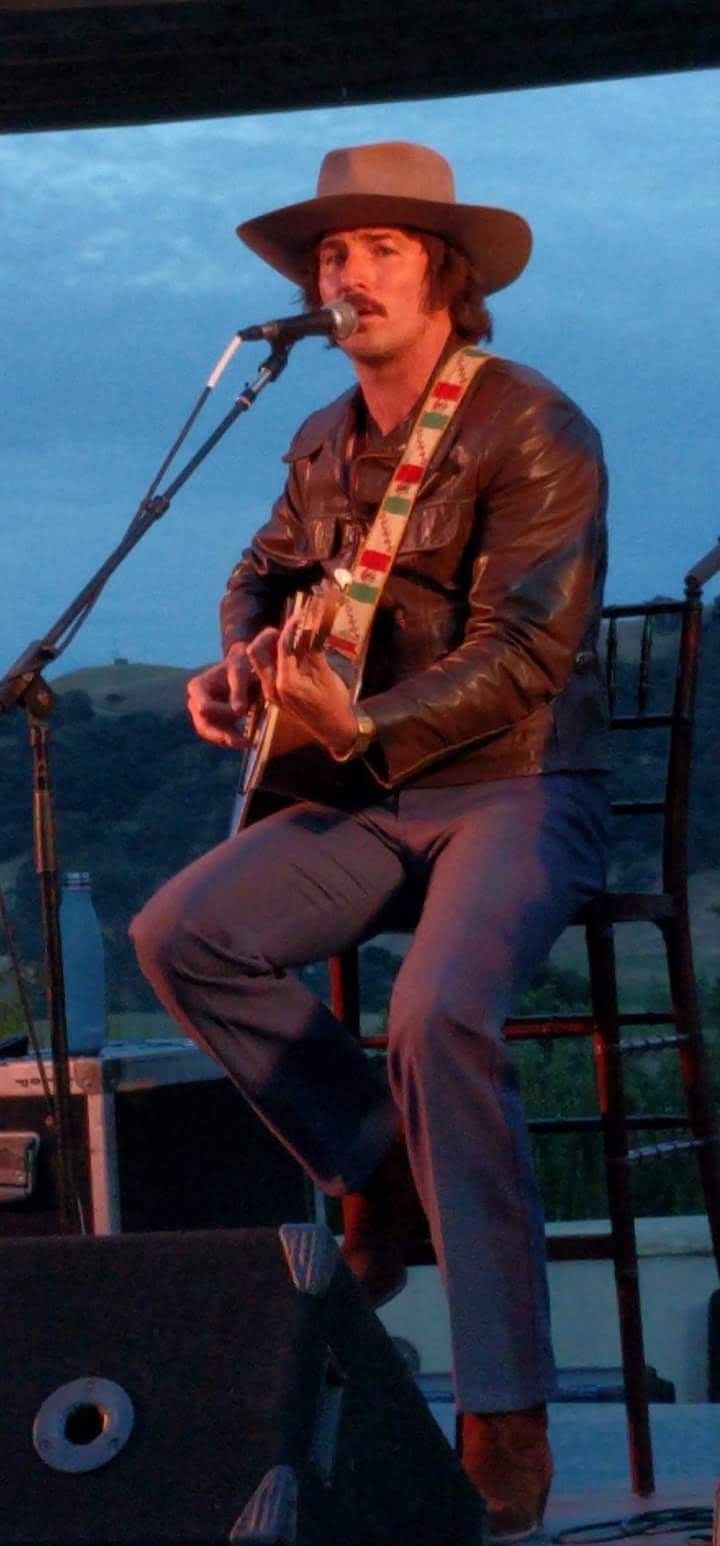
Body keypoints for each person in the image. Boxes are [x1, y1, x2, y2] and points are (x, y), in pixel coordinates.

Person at [131, 141, 609, 1540]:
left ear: (447, 281)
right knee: (182, 931)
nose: (346, 275)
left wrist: (366, 723)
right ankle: (375, 1160)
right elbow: (259, 571)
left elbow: (527, 653)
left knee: (440, 1011)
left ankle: (504, 1412)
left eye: (381, 249)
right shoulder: (321, 437)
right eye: (331, 256)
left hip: (516, 787)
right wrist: (235, 663)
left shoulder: (537, 427)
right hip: (358, 791)